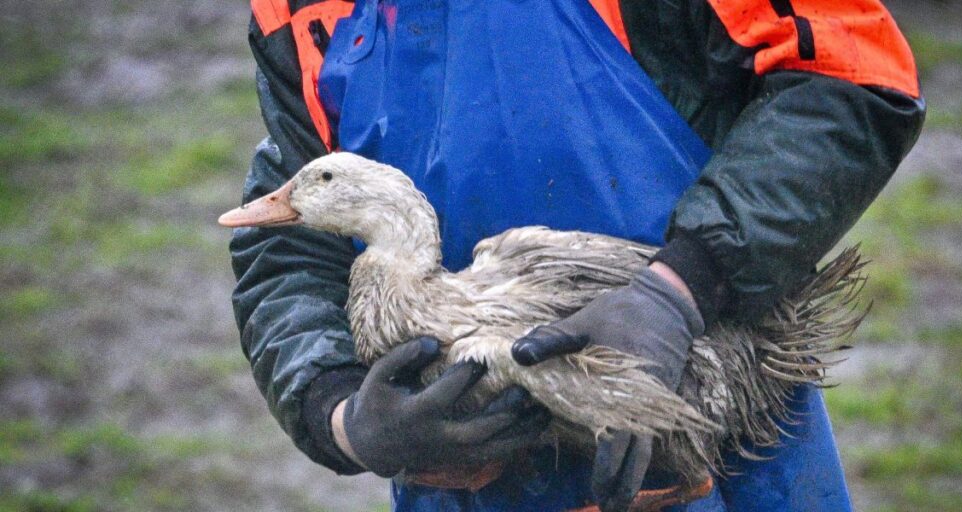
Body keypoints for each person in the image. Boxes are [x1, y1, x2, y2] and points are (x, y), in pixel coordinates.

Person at [229, 0, 925, 510]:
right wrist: (345, 418)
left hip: (713, 436)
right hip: (475, 487)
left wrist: (678, 291)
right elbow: (288, 242)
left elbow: (850, 77)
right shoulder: (297, 15)